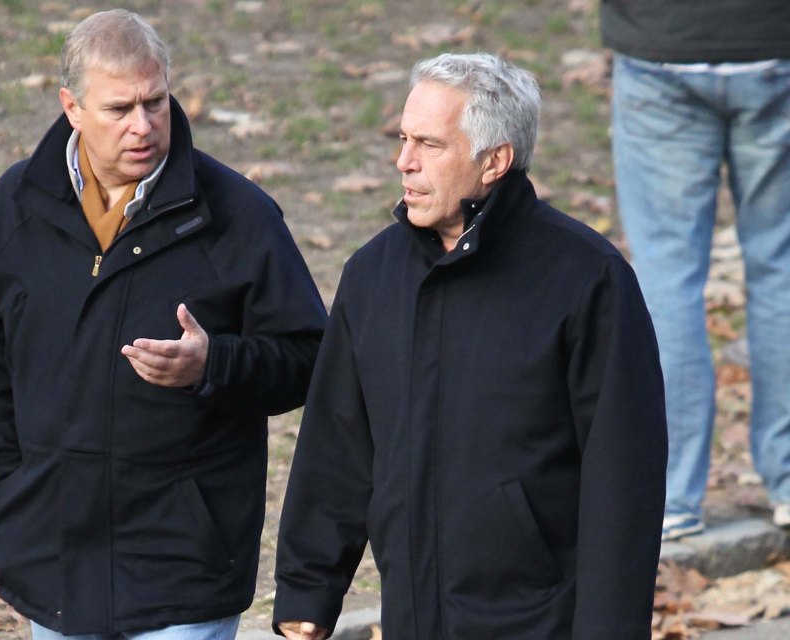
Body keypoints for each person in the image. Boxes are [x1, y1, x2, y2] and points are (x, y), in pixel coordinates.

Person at [0, 9, 327, 639]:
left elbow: (311, 359)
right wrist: (2, 496)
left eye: (155, 102)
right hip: (56, 562)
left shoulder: (240, 216)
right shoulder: (17, 205)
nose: (144, 125)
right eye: (119, 108)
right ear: (72, 108)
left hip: (184, 571)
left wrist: (214, 365)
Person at [271, 53, 668, 640]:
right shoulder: (372, 275)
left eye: (429, 145)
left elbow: (623, 478)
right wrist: (308, 590)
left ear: (494, 162)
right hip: (414, 616)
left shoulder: (588, 279)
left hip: (542, 621)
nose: (403, 162)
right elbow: (337, 444)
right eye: (404, 139)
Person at [601, 1, 790, 540]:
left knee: (666, 278)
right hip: (776, 39)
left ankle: (671, 494)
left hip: (662, 40)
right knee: (782, 267)